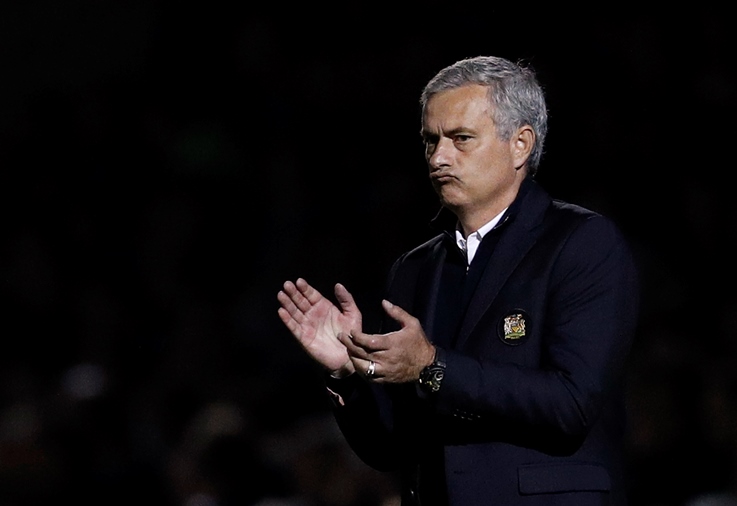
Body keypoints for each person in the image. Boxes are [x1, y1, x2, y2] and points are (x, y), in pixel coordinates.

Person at [277, 55, 640, 506]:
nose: (438, 157)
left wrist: (433, 366)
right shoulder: (415, 270)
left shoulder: (580, 243)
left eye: (461, 139)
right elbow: (390, 449)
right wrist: (349, 372)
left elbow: (571, 404)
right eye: (431, 141)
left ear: (520, 145)